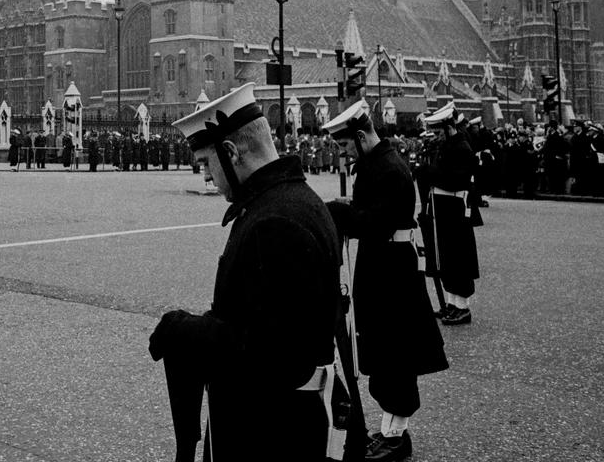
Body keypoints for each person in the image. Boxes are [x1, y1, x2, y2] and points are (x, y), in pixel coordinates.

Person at [148, 83, 340, 461]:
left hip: (269, 429)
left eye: (207, 163)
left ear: (231, 152)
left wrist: (183, 329)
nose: (207, 177)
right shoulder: (295, 200)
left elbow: (265, 353)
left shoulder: (275, 221)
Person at [323, 100, 448, 462]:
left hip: (392, 270)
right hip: (382, 265)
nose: (345, 153)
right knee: (383, 350)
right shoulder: (377, 163)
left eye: (347, 145)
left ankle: (396, 437)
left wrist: (344, 213)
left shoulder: (389, 168)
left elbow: (379, 221)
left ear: (361, 136)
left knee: (395, 354)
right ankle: (391, 430)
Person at [422, 103, 479, 326]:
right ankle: (452, 303)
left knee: (458, 257)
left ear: (448, 128)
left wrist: (431, 173)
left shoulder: (462, 148)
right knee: (446, 256)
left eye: (438, 132)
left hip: (454, 208)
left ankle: (463, 307)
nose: (436, 136)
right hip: (443, 208)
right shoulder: (447, 147)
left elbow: (457, 180)